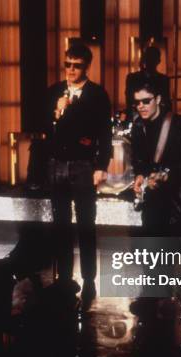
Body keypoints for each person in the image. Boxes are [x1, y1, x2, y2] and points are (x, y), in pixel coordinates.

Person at [43, 43, 112, 308]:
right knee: (60, 226)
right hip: (57, 165)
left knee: (85, 225)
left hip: (83, 166)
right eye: (67, 64)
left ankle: (89, 280)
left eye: (77, 65)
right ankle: (64, 280)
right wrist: (57, 111)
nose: (71, 70)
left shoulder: (97, 95)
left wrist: (101, 166)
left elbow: (104, 134)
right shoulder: (53, 93)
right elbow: (43, 128)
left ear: (87, 66)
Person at [130, 78, 181, 236]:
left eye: (146, 101)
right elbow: (138, 160)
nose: (141, 106)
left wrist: (166, 174)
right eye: (137, 102)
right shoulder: (138, 126)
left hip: (175, 201)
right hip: (150, 200)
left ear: (158, 99)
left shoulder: (178, 124)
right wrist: (139, 175)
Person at [125, 45, 171, 119]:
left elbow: (166, 102)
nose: (151, 61)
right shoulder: (133, 78)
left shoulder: (163, 80)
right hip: (137, 117)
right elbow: (130, 101)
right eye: (149, 58)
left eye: (153, 58)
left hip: (157, 118)